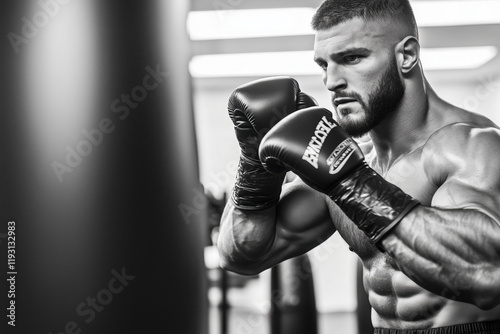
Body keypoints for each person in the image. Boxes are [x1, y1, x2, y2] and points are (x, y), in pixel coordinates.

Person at [217, 0, 500, 332]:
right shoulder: (347, 159)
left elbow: (487, 275)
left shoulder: (472, 146)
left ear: (406, 55)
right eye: (323, 64)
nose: (331, 81)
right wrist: (255, 164)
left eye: (351, 58)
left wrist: (351, 182)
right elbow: (242, 254)